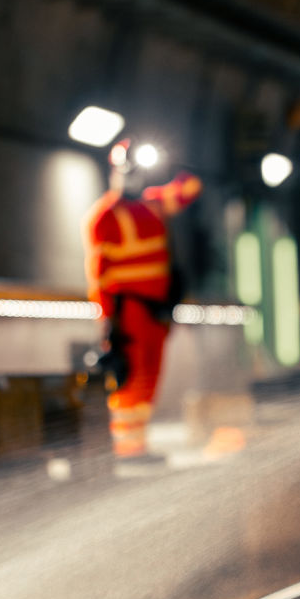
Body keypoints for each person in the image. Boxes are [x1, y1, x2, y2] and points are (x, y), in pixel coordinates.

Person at [83, 138, 202, 458]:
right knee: (131, 378)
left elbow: (191, 188)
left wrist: (171, 162)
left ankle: (138, 442)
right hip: (130, 310)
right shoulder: (104, 216)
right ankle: (127, 446)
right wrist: (106, 320)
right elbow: (100, 277)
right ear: (115, 172)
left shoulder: (154, 203)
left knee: (150, 376)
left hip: (158, 311)